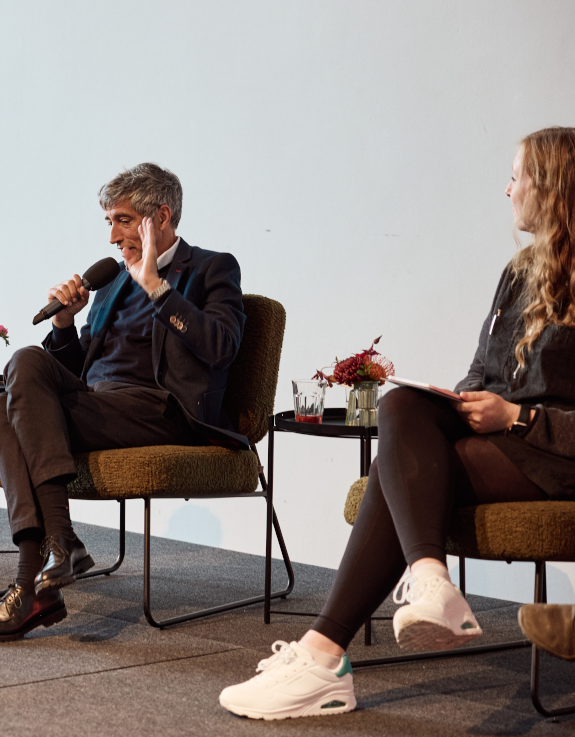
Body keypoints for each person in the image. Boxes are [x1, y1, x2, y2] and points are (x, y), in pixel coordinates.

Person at [219, 126, 575, 720]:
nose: (507, 190)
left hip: (554, 457)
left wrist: (517, 417)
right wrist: (457, 405)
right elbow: (482, 371)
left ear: (553, 187)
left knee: (395, 470)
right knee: (402, 405)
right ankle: (427, 580)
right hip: (503, 442)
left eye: (517, 177)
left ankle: (324, 659)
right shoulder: (520, 271)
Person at [0, 163, 248, 642]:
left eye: (124, 221)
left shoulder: (212, 268)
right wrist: (64, 326)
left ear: (162, 216)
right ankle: (52, 560)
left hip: (161, 410)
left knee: (6, 397)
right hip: (100, 405)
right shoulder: (111, 282)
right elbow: (76, 373)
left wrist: (156, 287)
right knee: (3, 399)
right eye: (109, 222)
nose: (113, 236)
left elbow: (221, 346)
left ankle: (39, 572)